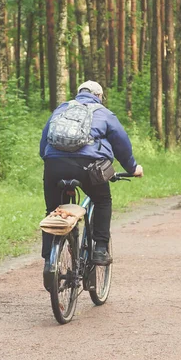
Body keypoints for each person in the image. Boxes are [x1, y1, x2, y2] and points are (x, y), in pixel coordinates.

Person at [39, 81, 143, 278]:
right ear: (99, 96)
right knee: (102, 200)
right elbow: (122, 143)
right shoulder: (103, 113)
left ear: (78, 94)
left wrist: (55, 164)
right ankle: (101, 249)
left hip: (54, 165)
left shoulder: (61, 109)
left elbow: (44, 144)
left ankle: (48, 262)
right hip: (89, 168)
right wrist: (132, 168)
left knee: (53, 210)